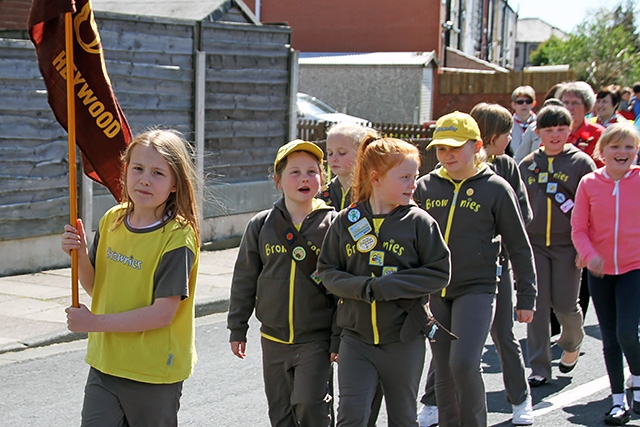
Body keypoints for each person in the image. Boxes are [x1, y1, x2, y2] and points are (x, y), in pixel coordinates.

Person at [60, 129, 201, 426]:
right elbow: (97, 288)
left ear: (175, 183)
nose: (145, 179)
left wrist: (93, 323)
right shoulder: (112, 219)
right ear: (125, 172)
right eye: (138, 168)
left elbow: (162, 314)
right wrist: (82, 254)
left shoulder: (178, 237)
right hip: (105, 365)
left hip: (152, 372)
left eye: (158, 173)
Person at [317, 136, 451, 426]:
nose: (412, 184)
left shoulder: (420, 222)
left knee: (403, 418)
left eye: (414, 176)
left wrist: (386, 287)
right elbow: (327, 271)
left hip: (404, 339)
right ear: (376, 178)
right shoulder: (345, 220)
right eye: (404, 177)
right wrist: (363, 289)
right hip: (356, 339)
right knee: (351, 417)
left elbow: (439, 273)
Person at [414, 112, 536, 427]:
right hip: (435, 292)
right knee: (443, 368)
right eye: (441, 148)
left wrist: (527, 295)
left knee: (464, 363)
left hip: (477, 288)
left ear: (477, 145)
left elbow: (519, 245)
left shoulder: (495, 188)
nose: (448, 154)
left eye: (456, 147)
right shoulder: (425, 187)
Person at [227, 139, 338, 427]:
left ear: (322, 179)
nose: (304, 178)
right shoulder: (262, 225)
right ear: (277, 181)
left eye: (312, 171)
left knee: (311, 405)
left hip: (316, 338)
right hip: (273, 340)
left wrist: (338, 335)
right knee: (280, 413)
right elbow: (244, 279)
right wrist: (237, 327)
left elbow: (342, 289)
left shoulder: (334, 225)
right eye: (295, 172)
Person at [519, 105, 596, 388]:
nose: (555, 135)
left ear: (570, 130)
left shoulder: (581, 164)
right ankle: (539, 368)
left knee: (565, 306)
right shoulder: (526, 165)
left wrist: (585, 247)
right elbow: (517, 205)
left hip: (568, 245)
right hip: (535, 244)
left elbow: (592, 209)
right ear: (538, 132)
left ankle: (572, 341)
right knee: (537, 307)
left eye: (561, 129)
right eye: (549, 130)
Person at [571, 122, 640, 425]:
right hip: (599, 272)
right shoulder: (589, 183)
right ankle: (617, 402)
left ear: (636, 151)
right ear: (602, 151)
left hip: (634, 268)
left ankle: (637, 379)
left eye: (629, 147)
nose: (622, 152)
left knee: (627, 331)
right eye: (615, 146)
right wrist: (589, 255)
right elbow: (578, 228)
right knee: (609, 337)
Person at [321, 122, 379, 211]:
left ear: (361, 152)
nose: (334, 159)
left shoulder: (371, 192)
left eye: (342, 153)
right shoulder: (324, 194)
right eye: (330, 153)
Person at [509, 85, 537, 157]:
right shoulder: (508, 124)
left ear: (533, 103)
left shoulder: (539, 124)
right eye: (520, 102)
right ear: (513, 105)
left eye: (528, 101)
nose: (524, 104)